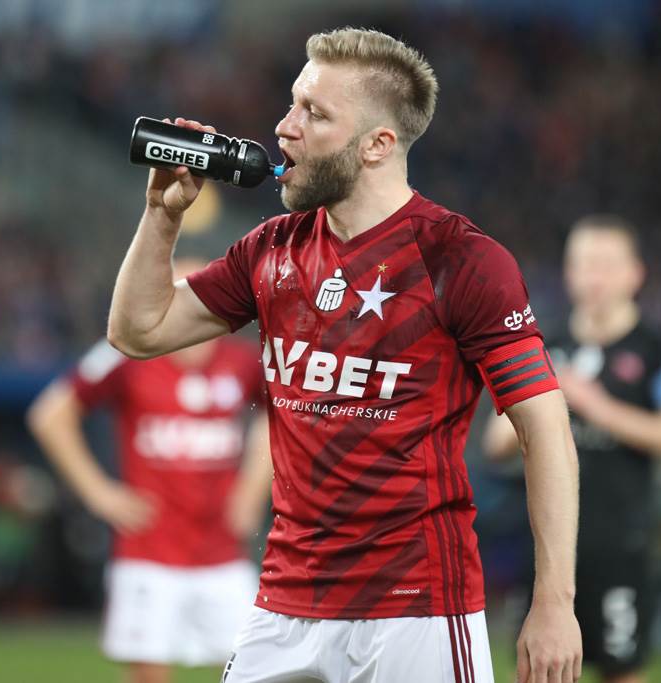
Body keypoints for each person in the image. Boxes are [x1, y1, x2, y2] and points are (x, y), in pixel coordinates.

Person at [108, 28, 582, 683]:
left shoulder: (462, 260)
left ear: (377, 144)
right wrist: (162, 214)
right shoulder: (271, 248)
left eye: (314, 113)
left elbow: (545, 430)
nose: (285, 127)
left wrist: (554, 602)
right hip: (283, 604)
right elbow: (138, 330)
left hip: (417, 608)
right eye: (292, 104)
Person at [484, 215, 661, 683]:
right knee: (537, 671)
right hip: (547, 552)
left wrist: (598, 407)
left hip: (620, 549)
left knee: (621, 673)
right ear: (568, 272)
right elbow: (496, 443)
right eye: (584, 264)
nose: (594, 277)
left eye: (607, 265)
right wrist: (549, 402)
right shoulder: (544, 346)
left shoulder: (658, 351)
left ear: (635, 274)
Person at [27, 258, 272, 683]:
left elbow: (281, 414)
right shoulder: (125, 353)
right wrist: (98, 493)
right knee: (148, 675)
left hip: (221, 549)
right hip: (149, 550)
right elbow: (50, 415)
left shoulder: (244, 361)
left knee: (257, 669)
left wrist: (253, 486)